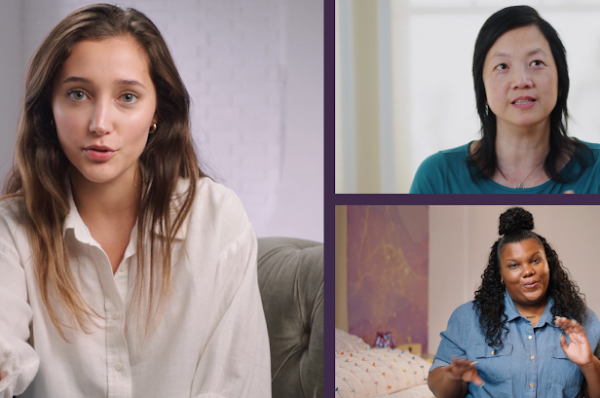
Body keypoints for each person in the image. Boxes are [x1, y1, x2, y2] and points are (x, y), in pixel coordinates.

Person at [0, 4, 271, 398]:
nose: (100, 123)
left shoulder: (216, 221)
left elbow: (237, 384)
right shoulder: (11, 228)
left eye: (127, 97)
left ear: (156, 112)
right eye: (78, 94)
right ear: (48, 110)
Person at [410, 6, 600, 193]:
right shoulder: (438, 176)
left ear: (560, 81)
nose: (521, 81)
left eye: (536, 63)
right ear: (482, 89)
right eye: (502, 66)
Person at [428, 207, 600, 397]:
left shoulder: (584, 320)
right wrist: (453, 376)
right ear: (501, 274)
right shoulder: (467, 318)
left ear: (548, 263)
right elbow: (439, 387)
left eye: (535, 260)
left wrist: (588, 364)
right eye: (514, 265)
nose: (527, 271)